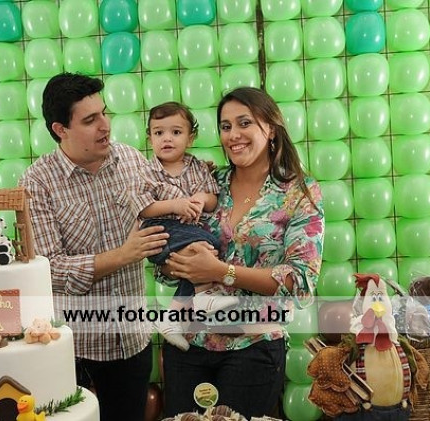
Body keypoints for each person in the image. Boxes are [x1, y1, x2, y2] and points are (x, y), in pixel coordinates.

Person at [158, 87, 325, 419]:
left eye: (244, 123)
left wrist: (221, 272)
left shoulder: (298, 192)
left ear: (271, 129)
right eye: (225, 126)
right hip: (188, 345)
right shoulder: (208, 183)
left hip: (253, 347)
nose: (233, 135)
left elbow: (301, 280)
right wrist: (177, 264)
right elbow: (167, 251)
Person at [18, 72, 169, 421]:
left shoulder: (131, 160)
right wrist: (123, 255)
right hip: (73, 346)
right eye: (90, 120)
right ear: (60, 129)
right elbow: (50, 269)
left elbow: (165, 211)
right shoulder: (37, 183)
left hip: (131, 340)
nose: (105, 125)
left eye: (104, 113)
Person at [133, 101, 239, 351]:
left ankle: (173, 315)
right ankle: (203, 296)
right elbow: (143, 208)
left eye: (176, 132)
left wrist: (201, 198)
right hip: (160, 231)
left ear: (190, 138)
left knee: (201, 254)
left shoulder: (198, 167)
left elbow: (212, 200)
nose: (167, 138)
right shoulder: (145, 171)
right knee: (207, 245)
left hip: (189, 232)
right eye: (159, 133)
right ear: (149, 138)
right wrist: (175, 205)